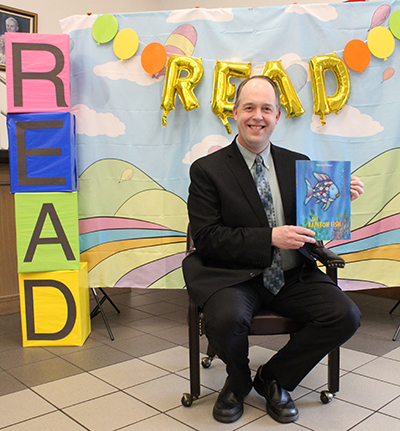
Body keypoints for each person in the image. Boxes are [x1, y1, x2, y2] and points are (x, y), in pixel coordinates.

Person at [182, 75, 364, 424]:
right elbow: (207, 238)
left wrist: (338, 198)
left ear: (278, 116)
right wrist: (269, 238)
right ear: (235, 113)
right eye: (249, 107)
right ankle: (236, 383)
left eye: (266, 108)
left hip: (293, 274)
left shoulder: (300, 164)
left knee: (346, 315)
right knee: (226, 318)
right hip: (234, 277)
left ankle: (274, 377)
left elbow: (312, 227)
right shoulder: (207, 170)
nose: (257, 116)